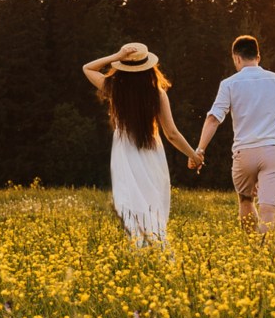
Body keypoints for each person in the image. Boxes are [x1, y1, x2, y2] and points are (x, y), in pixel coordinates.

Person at [83, 43, 203, 244]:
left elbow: (87, 68)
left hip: (124, 152)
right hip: (151, 152)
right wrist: (193, 155)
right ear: (149, 67)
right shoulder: (156, 93)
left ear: (121, 67)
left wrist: (116, 56)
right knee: (153, 200)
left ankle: (138, 246)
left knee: (130, 201)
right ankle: (155, 244)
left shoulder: (114, 89)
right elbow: (172, 133)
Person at [192, 35, 275, 234]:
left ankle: (251, 248)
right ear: (258, 57)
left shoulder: (229, 84)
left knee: (245, 199)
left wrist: (199, 150)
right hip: (273, 151)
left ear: (237, 58)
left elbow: (213, 119)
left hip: (244, 153)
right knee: (268, 208)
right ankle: (264, 250)